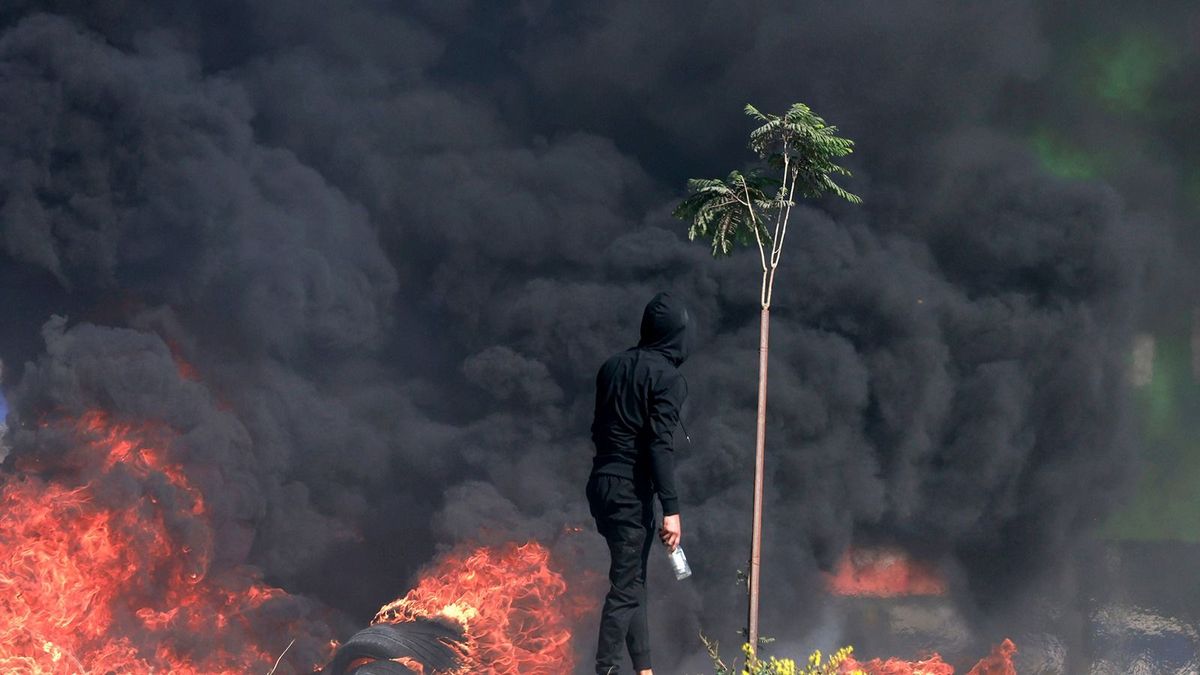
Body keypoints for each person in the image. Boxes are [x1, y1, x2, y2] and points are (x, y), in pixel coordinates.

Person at [587, 291, 691, 675]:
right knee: (626, 587)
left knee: (632, 582)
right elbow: (658, 445)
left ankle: (643, 670)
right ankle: (607, 669)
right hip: (630, 492)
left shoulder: (610, 367)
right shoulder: (668, 378)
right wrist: (672, 510)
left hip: (601, 485)